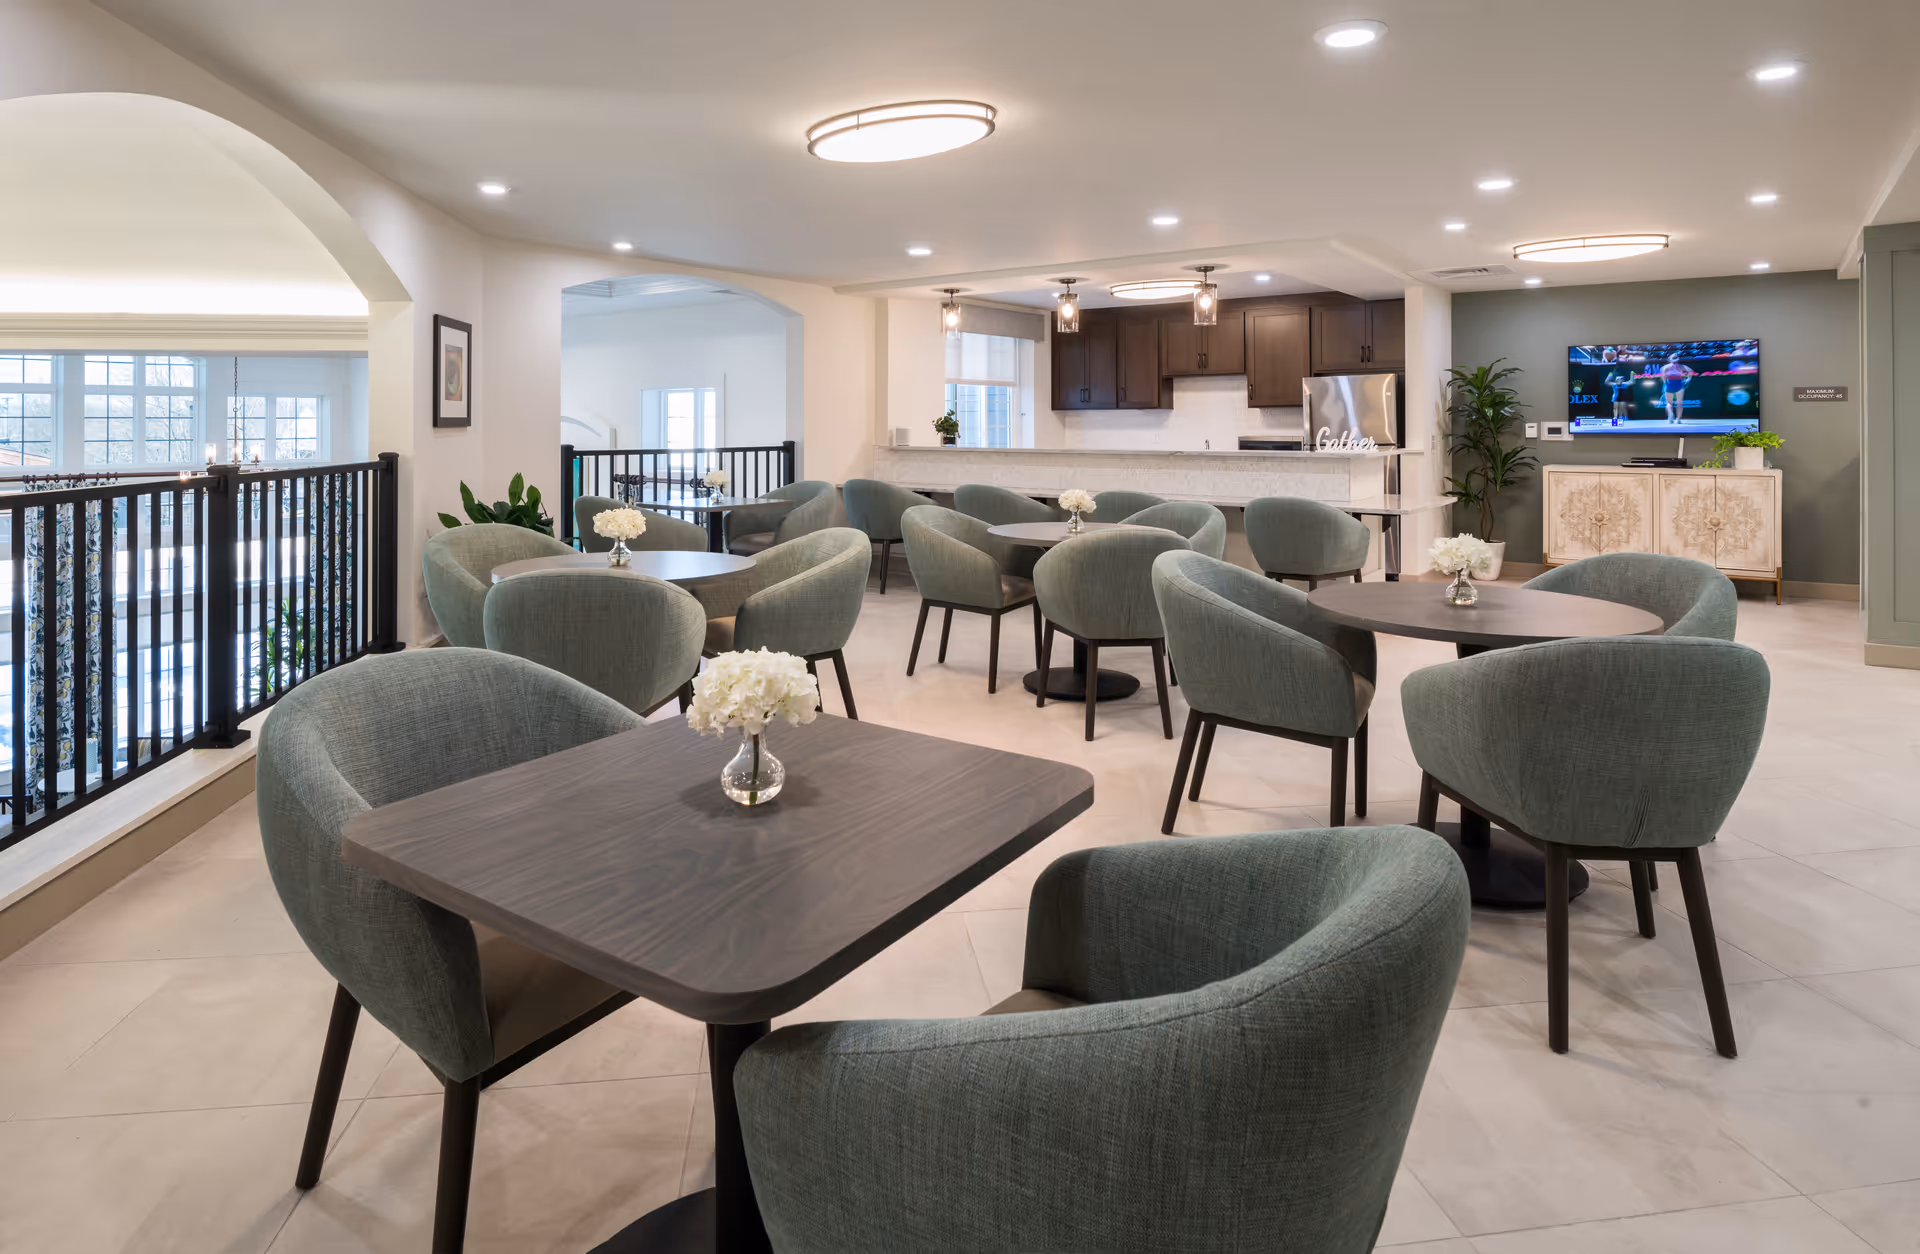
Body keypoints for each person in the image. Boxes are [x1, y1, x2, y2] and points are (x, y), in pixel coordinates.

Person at [1658, 352, 1695, 424]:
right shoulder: (1681, 366)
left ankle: (1670, 415)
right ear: (1677, 359)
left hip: (1669, 384)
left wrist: (1665, 383)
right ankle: (1678, 419)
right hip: (1679, 384)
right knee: (1679, 403)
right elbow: (1691, 371)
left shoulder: (1664, 367)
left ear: (1670, 360)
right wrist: (1688, 379)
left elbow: (1663, 377)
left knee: (1669, 403)